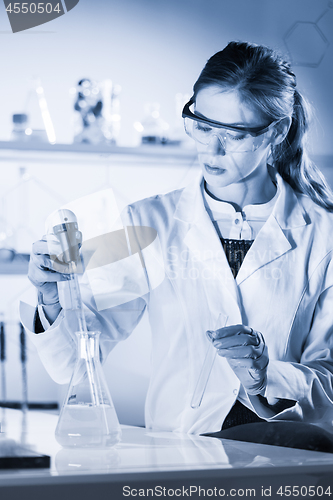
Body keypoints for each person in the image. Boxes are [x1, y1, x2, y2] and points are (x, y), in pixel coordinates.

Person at [23, 41, 333, 438]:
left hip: (288, 457)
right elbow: (74, 362)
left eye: (233, 134)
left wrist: (264, 375)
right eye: (202, 126)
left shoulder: (322, 233)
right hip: (183, 455)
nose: (211, 148)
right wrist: (51, 296)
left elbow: (329, 380)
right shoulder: (150, 222)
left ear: (277, 130)